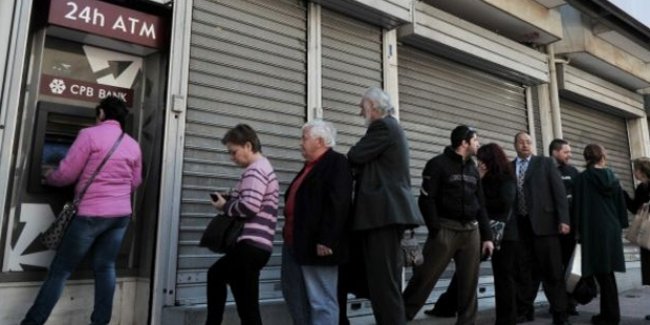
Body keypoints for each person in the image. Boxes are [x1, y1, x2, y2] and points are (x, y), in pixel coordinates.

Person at [21, 96, 142, 325]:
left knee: (61, 270)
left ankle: (32, 322)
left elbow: (66, 174)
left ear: (102, 114)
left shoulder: (89, 135)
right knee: (106, 267)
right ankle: (100, 322)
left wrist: (48, 176)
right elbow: (135, 181)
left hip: (91, 214)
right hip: (120, 215)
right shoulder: (133, 144)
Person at [347, 87, 424, 325]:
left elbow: (355, 155)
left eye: (363, 108)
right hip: (384, 215)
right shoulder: (393, 128)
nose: (362, 113)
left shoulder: (382, 127)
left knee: (384, 282)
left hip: (383, 215)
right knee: (381, 281)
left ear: (373, 107)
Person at [402, 125, 494, 324]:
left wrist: (487, 237)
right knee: (424, 278)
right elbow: (426, 200)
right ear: (464, 142)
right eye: (475, 140)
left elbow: (481, 205)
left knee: (469, 284)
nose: (478, 143)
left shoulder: (473, 168)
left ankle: (467, 322)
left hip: (471, 232)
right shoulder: (437, 164)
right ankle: (399, 317)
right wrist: (436, 229)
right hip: (445, 229)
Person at [205, 124, 279, 325]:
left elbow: (250, 206)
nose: (232, 157)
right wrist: (231, 200)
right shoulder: (264, 167)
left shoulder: (255, 171)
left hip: (250, 246)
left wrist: (225, 206)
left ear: (248, 145)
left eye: (234, 152)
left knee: (216, 275)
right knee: (247, 307)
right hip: (258, 247)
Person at [281, 120, 353, 325]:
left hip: (318, 245)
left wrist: (327, 239)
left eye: (304, 138)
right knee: (295, 296)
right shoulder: (309, 167)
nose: (300, 143)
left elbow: (339, 203)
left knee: (322, 300)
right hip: (295, 242)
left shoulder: (336, 163)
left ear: (320, 141)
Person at [512, 132, 570, 325]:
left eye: (528, 142)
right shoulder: (509, 167)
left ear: (533, 145)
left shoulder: (544, 163)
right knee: (524, 272)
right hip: (521, 227)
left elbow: (559, 192)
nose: (525, 145)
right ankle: (524, 310)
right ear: (515, 145)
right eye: (521, 142)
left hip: (545, 226)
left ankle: (560, 314)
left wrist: (564, 219)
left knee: (553, 272)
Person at [572, 144, 627, 325]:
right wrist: (619, 227)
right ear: (603, 156)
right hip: (611, 229)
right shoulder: (614, 178)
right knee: (607, 273)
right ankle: (608, 315)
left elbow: (577, 207)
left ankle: (610, 316)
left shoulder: (582, 179)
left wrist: (576, 230)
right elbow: (621, 207)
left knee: (602, 275)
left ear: (586, 157)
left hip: (592, 229)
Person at [549, 139, 580, 316]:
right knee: (554, 269)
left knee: (570, 269)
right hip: (550, 230)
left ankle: (570, 303)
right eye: (566, 152)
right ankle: (557, 304)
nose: (570, 155)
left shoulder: (573, 171)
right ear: (554, 152)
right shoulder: (546, 170)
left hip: (570, 231)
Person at [624, 157, 650, 321]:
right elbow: (634, 209)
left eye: (636, 169)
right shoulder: (641, 188)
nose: (634, 173)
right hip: (646, 236)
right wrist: (623, 194)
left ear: (643, 170)